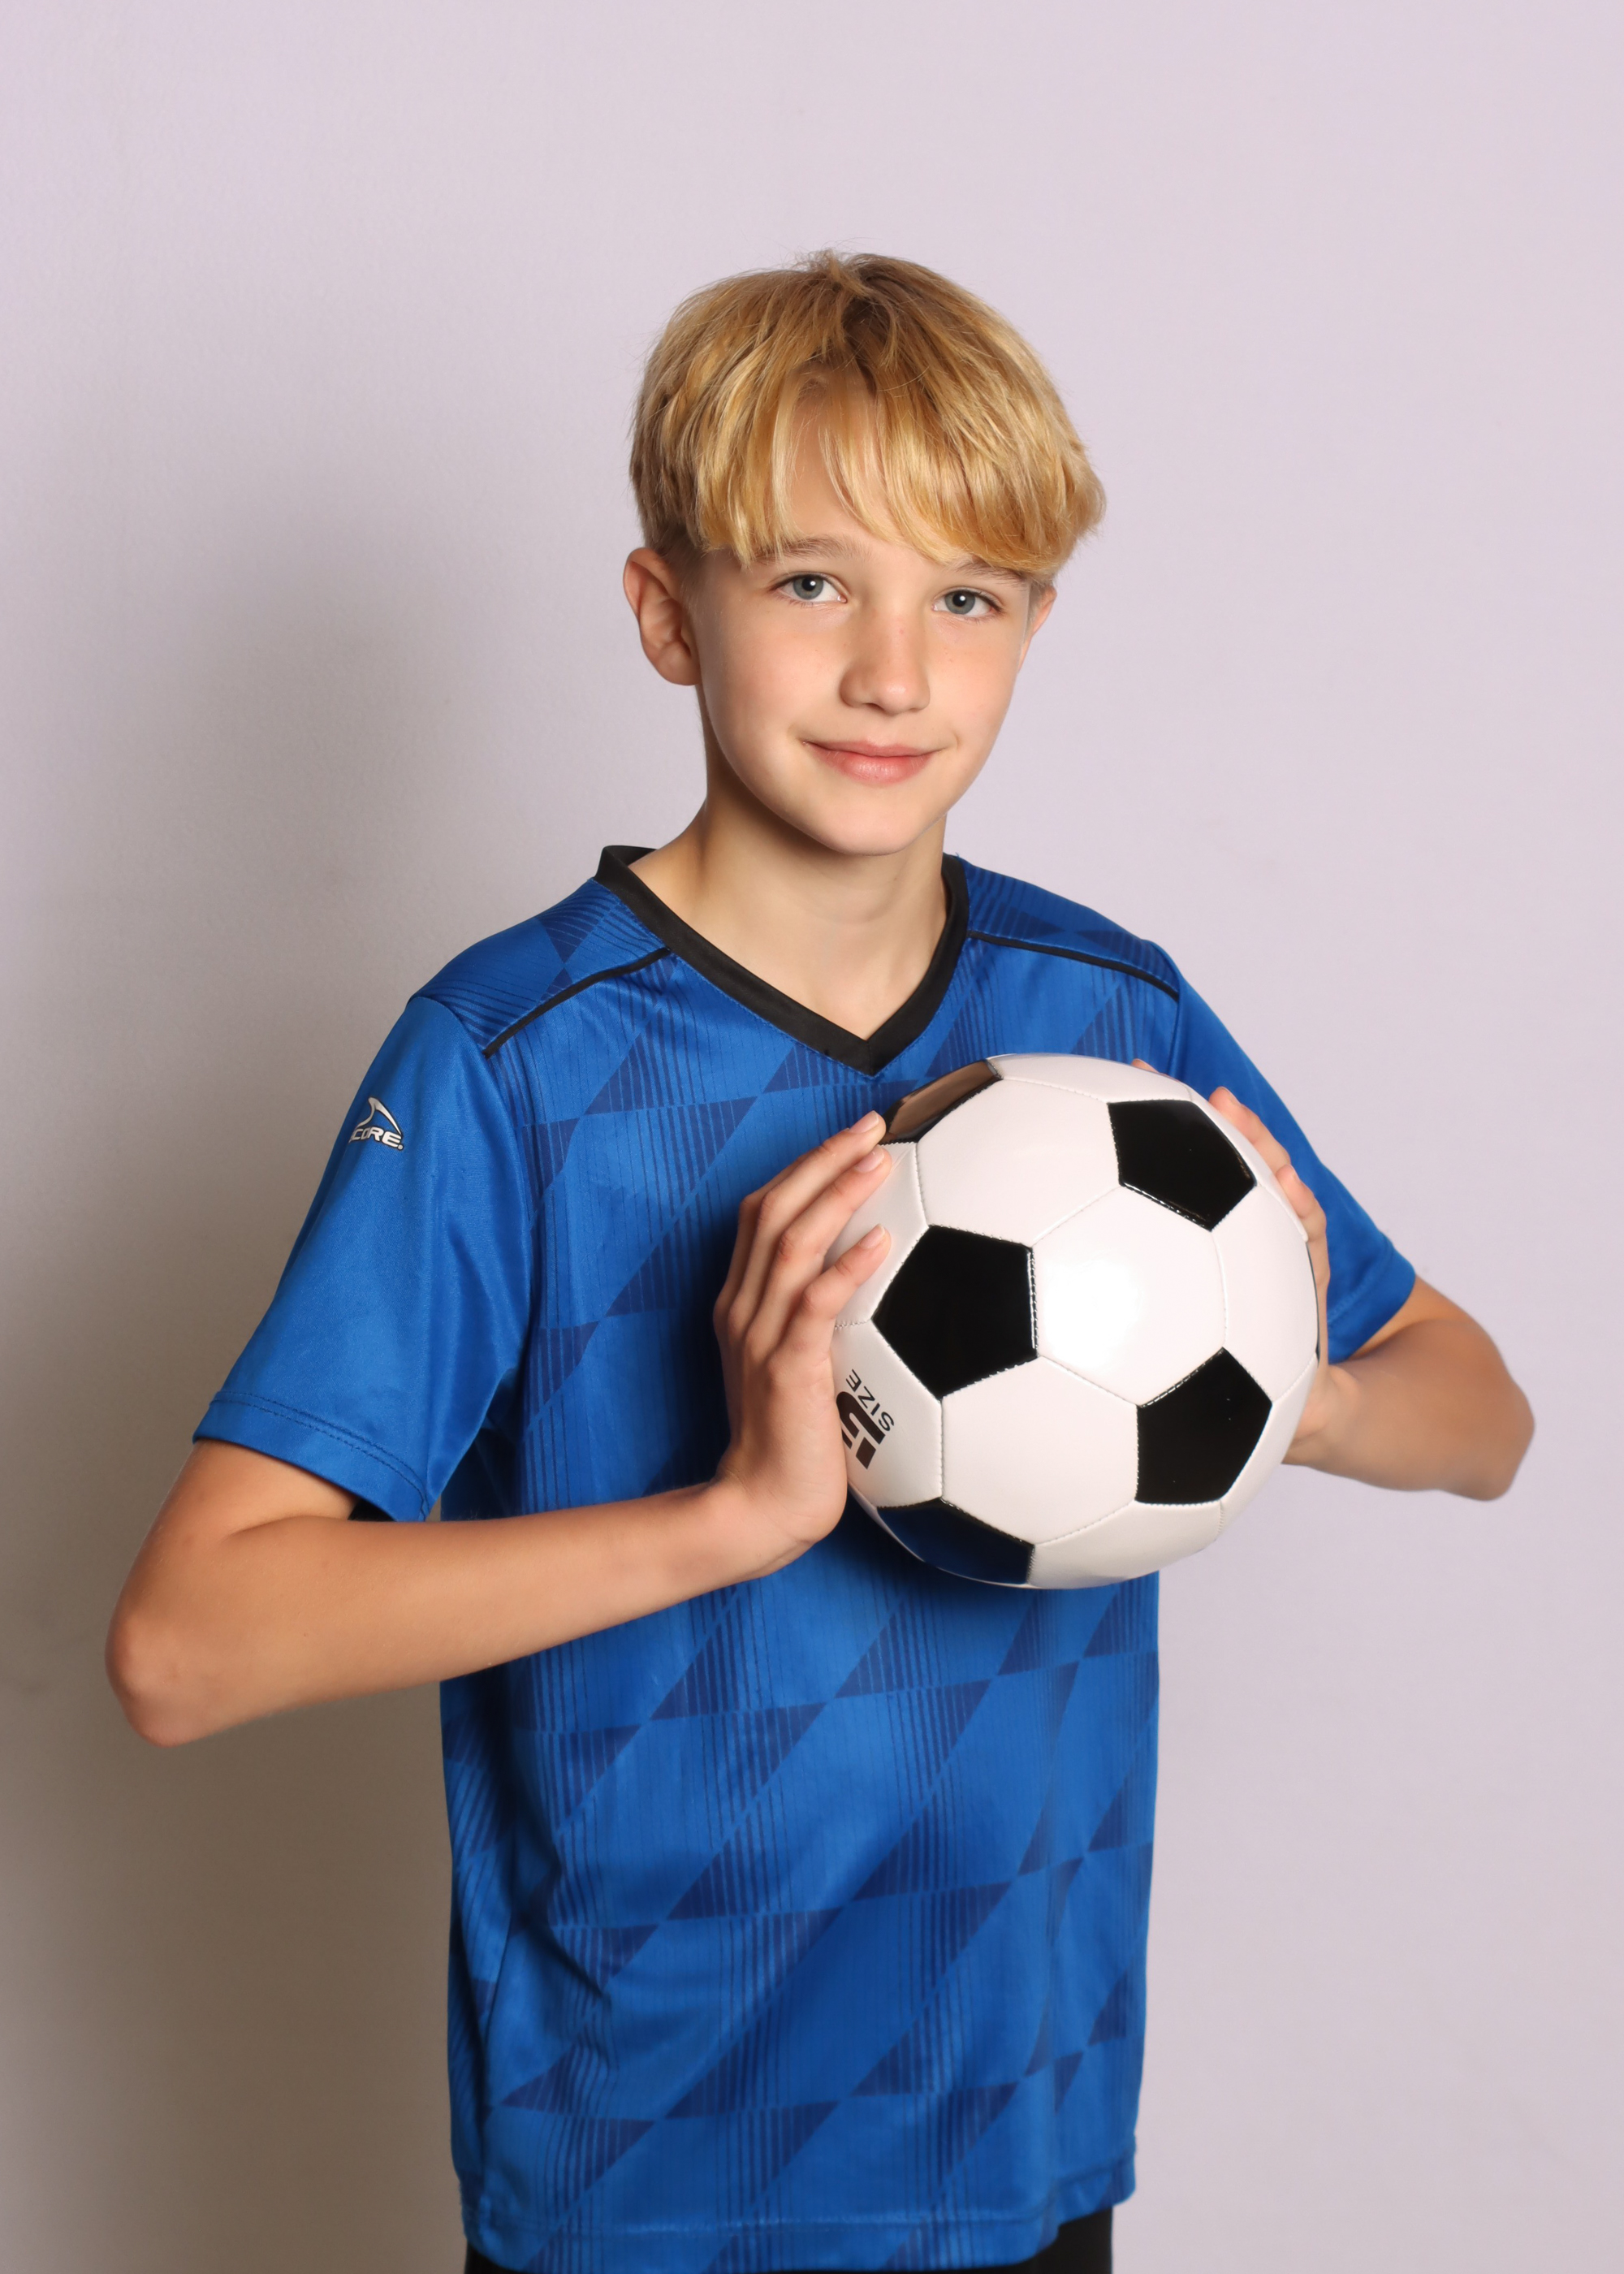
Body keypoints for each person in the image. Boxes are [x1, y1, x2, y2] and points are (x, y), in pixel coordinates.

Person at [107, 253, 1533, 2274]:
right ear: (662, 611)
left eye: (969, 596)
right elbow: (187, 1646)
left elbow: (1484, 1417)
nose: (893, 672)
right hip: (645, 2172)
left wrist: (1276, 1394)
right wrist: (736, 1513)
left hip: (1022, 2142)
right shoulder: (512, 1063)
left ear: (1036, 625)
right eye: (808, 582)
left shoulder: (1106, 1022)